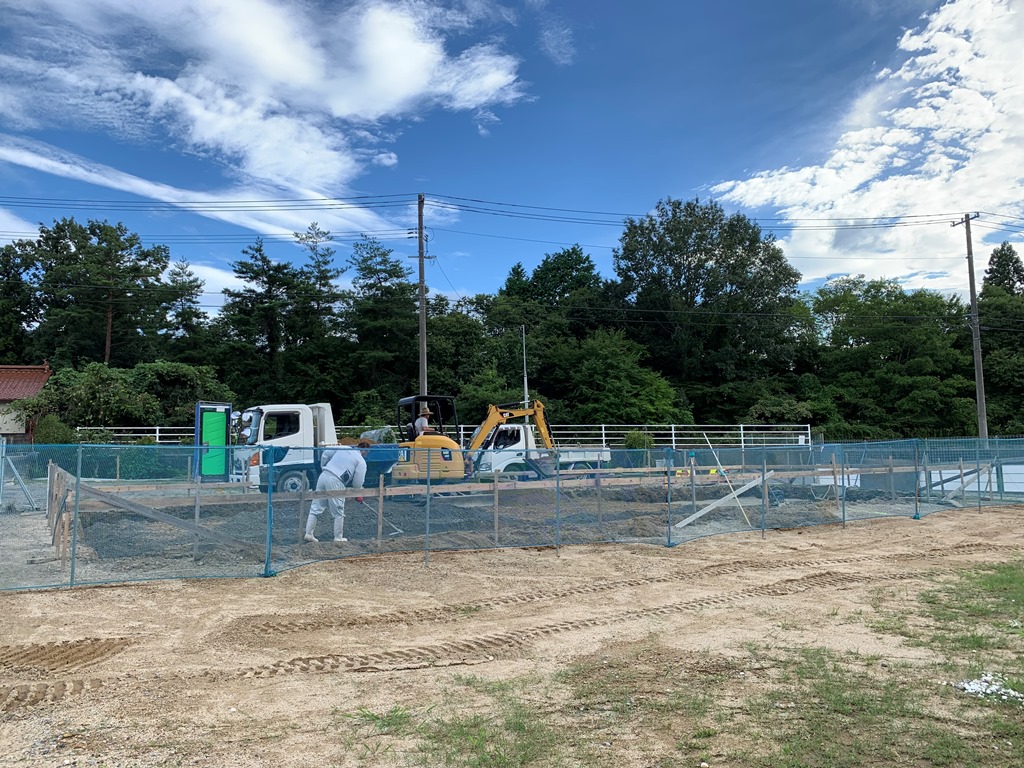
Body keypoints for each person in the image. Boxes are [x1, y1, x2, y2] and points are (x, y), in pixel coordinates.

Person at [304, 441, 370, 544]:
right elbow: (357, 483)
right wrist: (358, 492)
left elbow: (325, 454)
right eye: (367, 453)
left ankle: (309, 534)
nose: (366, 455)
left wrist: (324, 467)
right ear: (365, 451)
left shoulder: (344, 447)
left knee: (316, 507)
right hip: (337, 481)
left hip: (324, 475)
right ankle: (338, 538)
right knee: (338, 511)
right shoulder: (361, 461)